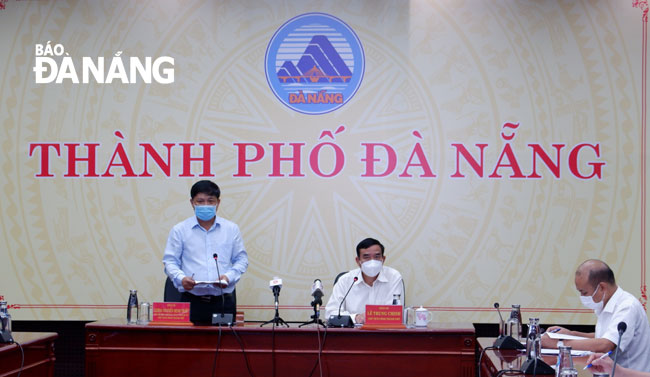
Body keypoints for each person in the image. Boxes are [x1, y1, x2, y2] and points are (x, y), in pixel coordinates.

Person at [162, 180, 248, 324]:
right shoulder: (180, 230)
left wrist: (228, 277)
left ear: (218, 203)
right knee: (189, 344)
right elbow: (170, 261)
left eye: (210, 201)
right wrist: (181, 278)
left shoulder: (231, 229)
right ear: (192, 203)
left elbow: (241, 260)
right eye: (200, 201)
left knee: (224, 345)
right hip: (191, 301)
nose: (205, 205)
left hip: (222, 302)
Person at [541, 259, 650, 372]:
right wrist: (570, 334)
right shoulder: (607, 303)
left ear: (602, 287)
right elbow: (602, 337)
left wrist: (559, 344)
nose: (582, 297)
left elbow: (606, 344)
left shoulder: (627, 307)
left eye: (584, 292)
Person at [325, 238, 403, 325]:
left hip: (384, 334)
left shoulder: (393, 277)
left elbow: (395, 313)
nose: (372, 261)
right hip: (352, 335)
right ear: (358, 261)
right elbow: (330, 313)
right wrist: (356, 317)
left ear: (383, 259)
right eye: (366, 257)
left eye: (377, 256)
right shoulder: (345, 280)